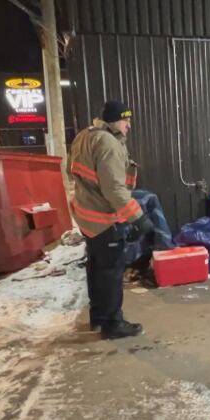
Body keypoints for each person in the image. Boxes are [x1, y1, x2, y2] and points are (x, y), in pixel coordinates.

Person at [69, 100, 154, 339]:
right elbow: (115, 189)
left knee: (96, 268)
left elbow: (71, 171)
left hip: (86, 216)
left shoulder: (85, 136)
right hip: (103, 218)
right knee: (111, 270)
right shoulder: (109, 144)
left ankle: (98, 317)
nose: (129, 125)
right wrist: (138, 218)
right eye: (126, 120)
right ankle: (112, 324)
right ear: (115, 120)